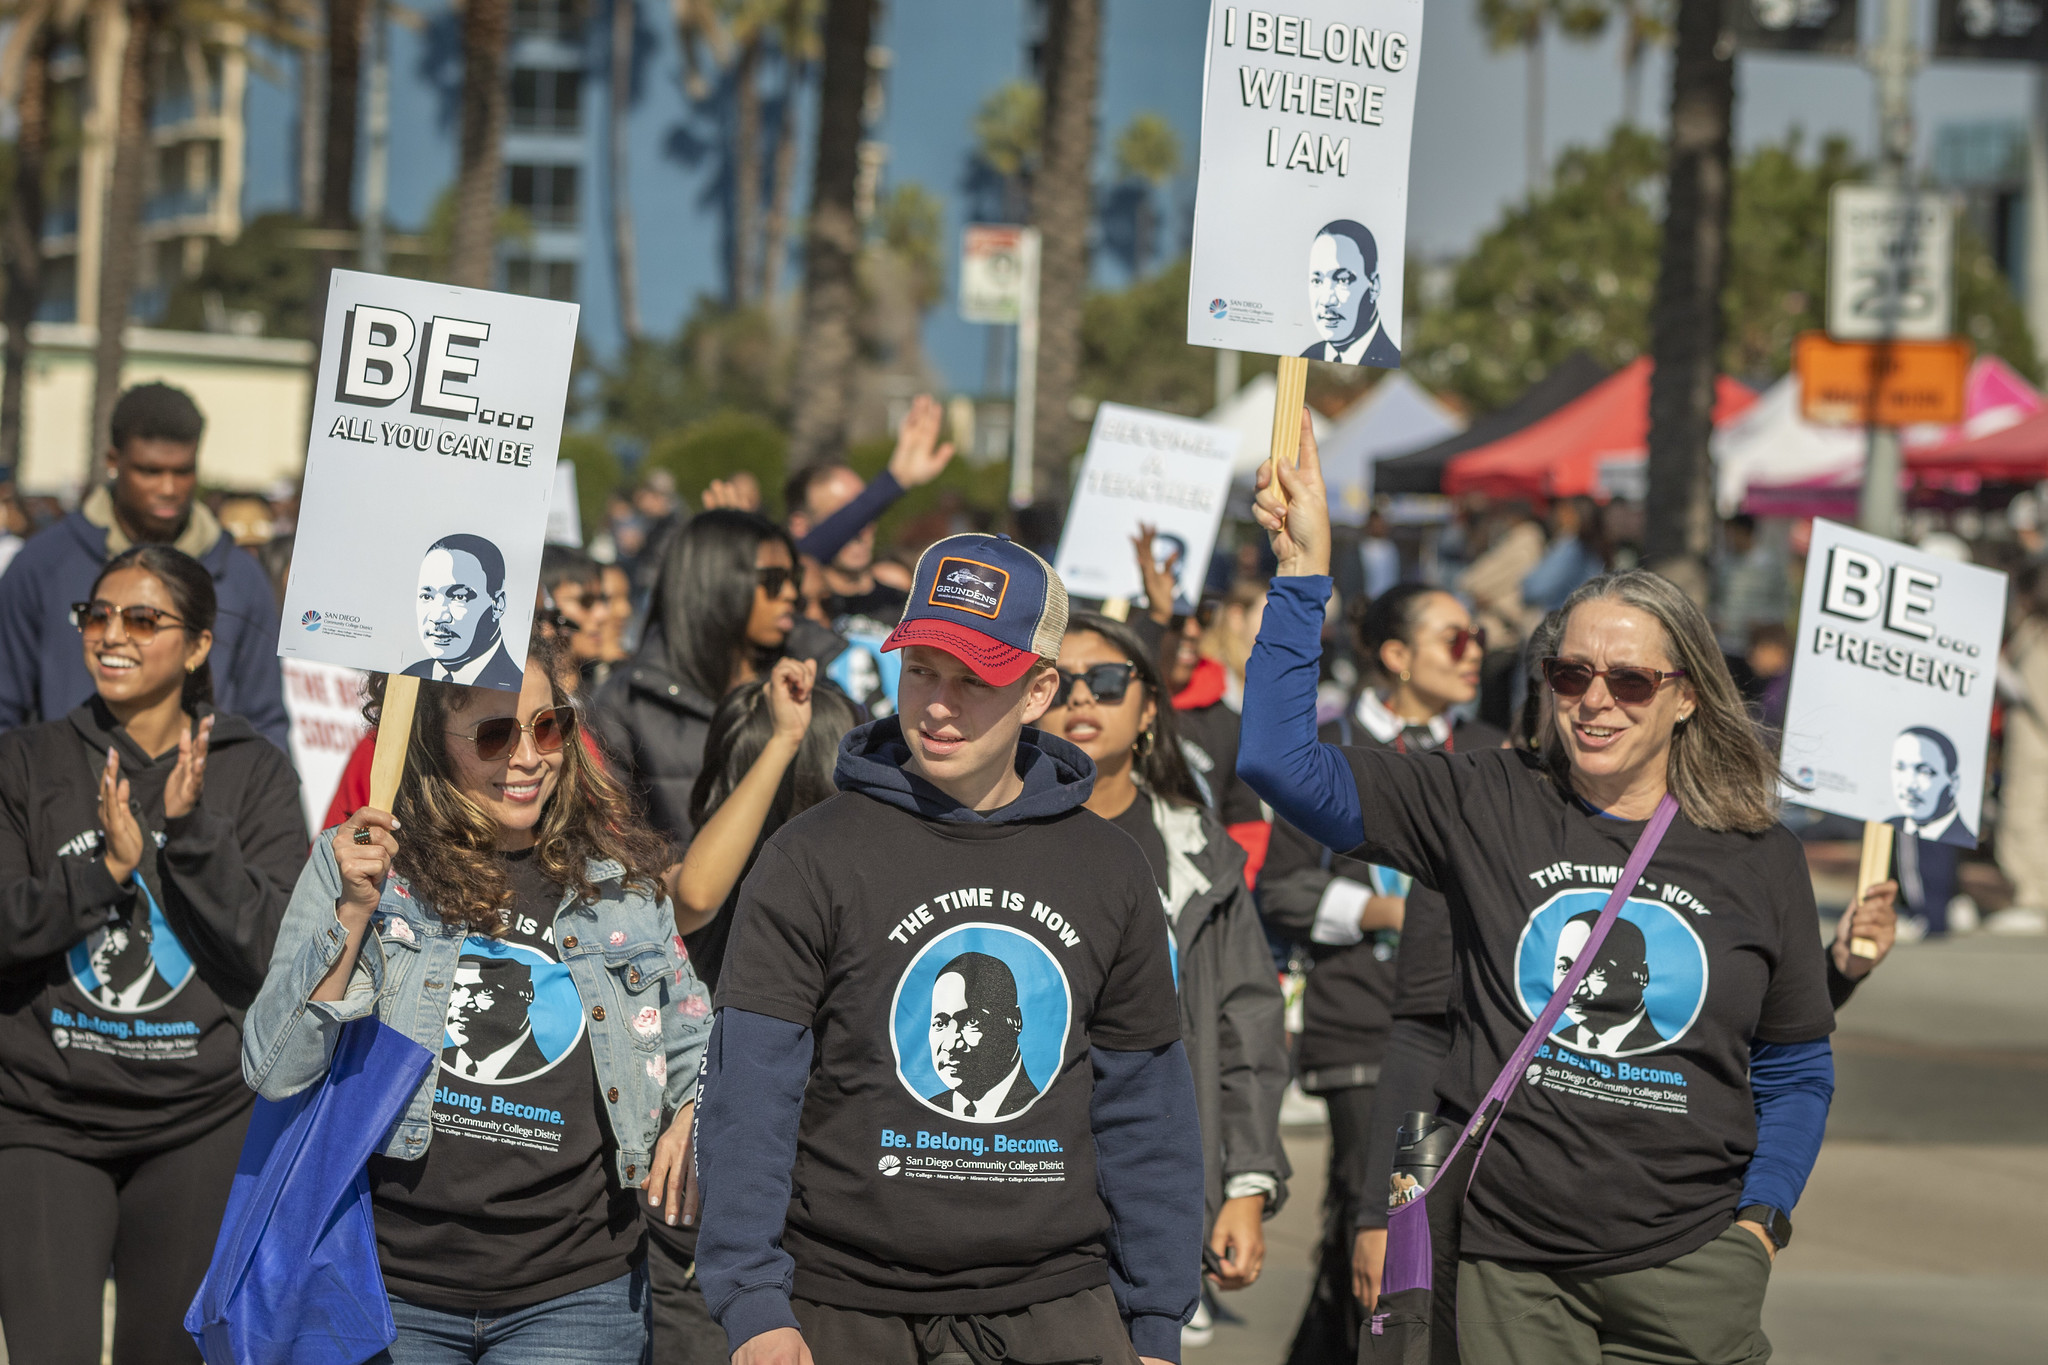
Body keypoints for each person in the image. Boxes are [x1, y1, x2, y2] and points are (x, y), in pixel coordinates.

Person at [1240, 416, 1886, 1364]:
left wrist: (1759, 1224)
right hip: (1514, 1270)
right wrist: (1303, 577)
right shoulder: (1482, 795)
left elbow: (1793, 1066)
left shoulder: (1757, 853)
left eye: (1630, 679)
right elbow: (1279, 761)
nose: (1595, 699)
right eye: (1571, 672)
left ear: (1686, 694)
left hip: (1693, 1264)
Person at [694, 533, 1202, 1364]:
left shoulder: (1108, 866)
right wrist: (752, 1300)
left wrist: (1154, 1324)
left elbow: (1146, 1106)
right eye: (923, 669)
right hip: (841, 1306)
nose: (937, 703)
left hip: (1057, 1307)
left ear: (1039, 690)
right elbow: (752, 1088)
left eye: (975, 679)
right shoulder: (809, 854)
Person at [242, 639, 710, 1362]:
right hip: (389, 1289)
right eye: (495, 733)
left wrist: (690, 1109)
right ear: (435, 738)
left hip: (577, 1294)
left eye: (548, 726)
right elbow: (274, 1067)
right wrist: (349, 915)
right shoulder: (362, 868)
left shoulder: (622, 891)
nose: (528, 756)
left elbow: (697, 1045)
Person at [0, 544, 306, 1363]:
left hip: (199, 1125)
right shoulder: (26, 762)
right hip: (44, 1119)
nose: (111, 634)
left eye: (142, 618)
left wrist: (196, 838)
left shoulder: (249, 773)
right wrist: (102, 871)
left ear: (200, 644)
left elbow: (281, 951)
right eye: (96, 615)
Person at [1258, 582, 1503, 1363]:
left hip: (1464, 1027)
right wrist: (1386, 911)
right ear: (1395, 655)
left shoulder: (1494, 753)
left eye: (1478, 640)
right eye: (1454, 639)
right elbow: (1285, 886)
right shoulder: (1325, 747)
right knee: (1379, 1208)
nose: (1474, 655)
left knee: (1417, 1220)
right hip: (1362, 1026)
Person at [1043, 611, 1289, 1350]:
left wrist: (1246, 1184)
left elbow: (1246, 1021)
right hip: (1022, 1186)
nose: (1083, 698)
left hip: (1156, 1191)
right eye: (1062, 682)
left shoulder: (1196, 849)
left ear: (1150, 707)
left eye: (1110, 681)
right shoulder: (984, 837)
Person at [0, 382, 288, 748]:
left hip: (207, 801)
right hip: (61, 797)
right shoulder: (42, 566)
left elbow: (266, 721)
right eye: (150, 471)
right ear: (112, 462)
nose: (168, 488)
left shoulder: (241, 577)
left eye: (182, 471)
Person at [592, 510, 804, 845]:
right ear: (717, 580)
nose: (791, 593)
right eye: (774, 580)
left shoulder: (797, 686)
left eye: (796, 579)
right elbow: (619, 847)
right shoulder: (626, 701)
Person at [1129, 528, 1269, 877]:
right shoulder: (1112, 708)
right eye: (1176, 621)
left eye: (1203, 617)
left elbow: (1248, 828)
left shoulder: (1229, 722)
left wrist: (1227, 895)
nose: (1192, 631)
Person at [783, 394, 958, 633]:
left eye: (867, 513)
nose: (860, 529)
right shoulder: (792, 612)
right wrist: (893, 481)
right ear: (800, 525)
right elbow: (800, 557)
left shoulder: (907, 609)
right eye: (848, 515)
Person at [403, 533, 524, 688]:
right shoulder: (407, 677)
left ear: (498, 604)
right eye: (427, 596)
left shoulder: (516, 688)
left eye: (459, 597)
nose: (438, 616)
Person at [1301, 220, 1400, 367]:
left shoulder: (1389, 361)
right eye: (1317, 281)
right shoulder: (1307, 356)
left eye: (1343, 280)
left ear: (1374, 287)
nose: (1327, 300)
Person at [1887, 726, 1976, 847]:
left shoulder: (1964, 840)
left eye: (1925, 772)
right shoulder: (1889, 825)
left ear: (1954, 783)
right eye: (1900, 767)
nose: (1909, 785)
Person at [540, 545, 613, 686]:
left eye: (601, 599)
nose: (602, 614)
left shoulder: (609, 691)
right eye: (585, 602)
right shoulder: (513, 701)